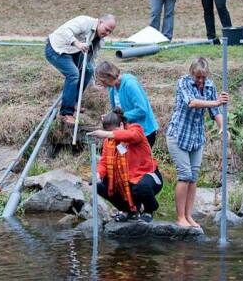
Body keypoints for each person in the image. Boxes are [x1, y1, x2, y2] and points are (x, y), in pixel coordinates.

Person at [166, 57, 228, 227]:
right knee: (184, 175)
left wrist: (223, 127)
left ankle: (188, 216)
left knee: (193, 178)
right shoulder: (183, 83)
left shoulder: (210, 85)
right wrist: (216, 101)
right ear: (191, 73)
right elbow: (192, 102)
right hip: (178, 136)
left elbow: (215, 111)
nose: (200, 81)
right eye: (197, 77)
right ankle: (180, 218)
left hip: (196, 138)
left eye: (203, 77)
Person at [90, 108, 162, 223]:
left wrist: (107, 133)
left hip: (147, 177)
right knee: (99, 185)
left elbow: (131, 135)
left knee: (140, 187)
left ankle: (149, 210)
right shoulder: (109, 141)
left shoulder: (136, 130)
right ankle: (128, 210)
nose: (112, 137)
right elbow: (103, 162)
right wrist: (98, 175)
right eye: (109, 134)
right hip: (124, 180)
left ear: (122, 125)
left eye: (113, 132)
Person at [45, 14, 116, 125]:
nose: (106, 33)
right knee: (73, 74)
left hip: (72, 51)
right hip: (56, 49)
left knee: (88, 69)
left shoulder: (100, 40)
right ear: (100, 22)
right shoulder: (85, 22)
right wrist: (77, 43)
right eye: (106, 29)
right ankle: (66, 113)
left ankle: (73, 103)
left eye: (110, 32)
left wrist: (92, 83)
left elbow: (91, 61)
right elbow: (65, 30)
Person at [96, 61, 159, 147]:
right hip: (128, 132)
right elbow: (118, 110)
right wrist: (110, 117)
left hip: (144, 132)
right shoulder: (112, 88)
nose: (102, 84)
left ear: (109, 76)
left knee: (138, 160)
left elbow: (142, 110)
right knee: (124, 156)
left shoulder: (130, 84)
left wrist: (119, 117)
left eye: (103, 81)